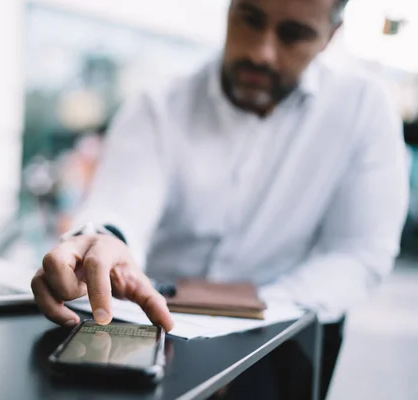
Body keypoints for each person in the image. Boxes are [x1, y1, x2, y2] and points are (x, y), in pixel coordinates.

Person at [31, 0, 409, 397]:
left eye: (293, 34)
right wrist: (104, 239)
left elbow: (360, 253)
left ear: (330, 36)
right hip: (152, 328)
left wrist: (241, 319)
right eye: (250, 19)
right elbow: (120, 205)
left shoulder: (363, 110)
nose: (261, 52)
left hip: (283, 331)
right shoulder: (158, 105)